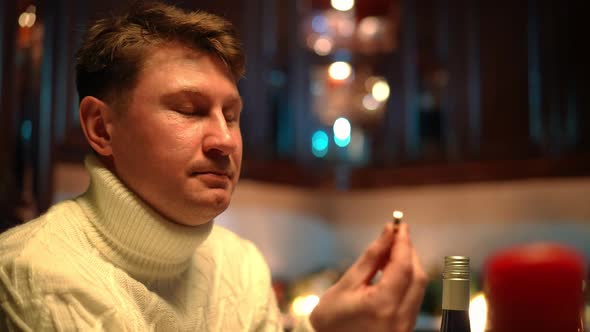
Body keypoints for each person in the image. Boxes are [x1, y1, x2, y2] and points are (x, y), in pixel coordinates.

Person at [0, 2, 427, 331]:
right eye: (189, 110)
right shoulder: (28, 275)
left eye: (232, 115)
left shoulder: (241, 265)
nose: (224, 140)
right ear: (102, 128)